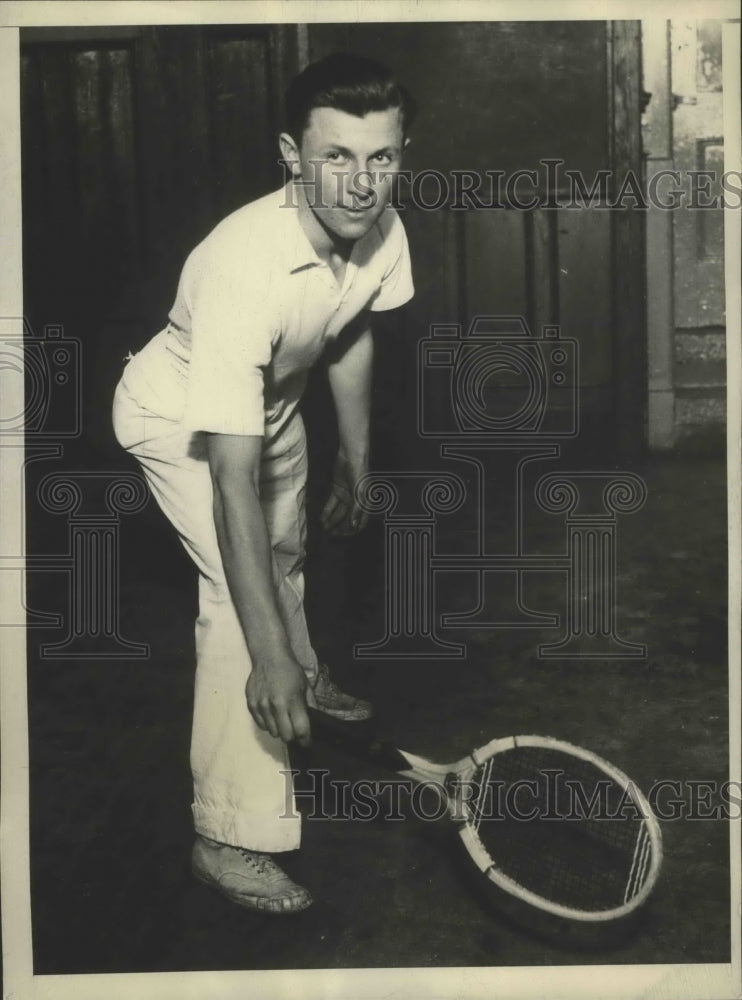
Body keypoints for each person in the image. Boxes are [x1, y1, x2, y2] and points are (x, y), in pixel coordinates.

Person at [112, 53, 415, 914]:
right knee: (240, 612)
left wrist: (357, 459)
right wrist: (271, 649)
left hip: (271, 405)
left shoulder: (383, 228)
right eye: (336, 157)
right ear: (291, 154)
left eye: (381, 158)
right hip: (181, 420)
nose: (361, 184)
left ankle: (300, 662)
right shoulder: (245, 267)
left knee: (284, 556)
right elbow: (229, 485)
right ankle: (227, 834)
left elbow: (351, 331)